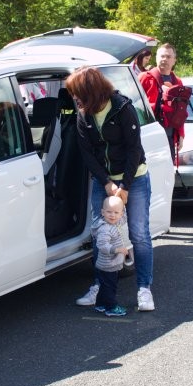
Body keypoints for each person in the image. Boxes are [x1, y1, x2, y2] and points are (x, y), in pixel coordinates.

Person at [67, 66, 156, 312]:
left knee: (139, 234)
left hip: (134, 178)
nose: (74, 98)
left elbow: (134, 149)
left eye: (77, 93)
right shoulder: (83, 114)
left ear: (91, 91)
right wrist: (106, 182)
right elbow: (87, 154)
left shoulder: (122, 108)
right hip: (103, 181)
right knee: (101, 233)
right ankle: (100, 286)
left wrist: (125, 185)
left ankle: (144, 288)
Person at [139, 42, 185, 161]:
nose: (164, 59)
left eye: (168, 57)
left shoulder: (178, 82)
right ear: (156, 58)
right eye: (162, 56)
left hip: (169, 137)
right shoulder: (145, 77)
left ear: (174, 61)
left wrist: (181, 134)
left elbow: (181, 110)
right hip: (148, 135)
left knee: (167, 170)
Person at [90, 196, 130, 316]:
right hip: (108, 264)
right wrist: (117, 250)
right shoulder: (105, 229)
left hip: (110, 263)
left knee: (104, 285)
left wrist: (124, 205)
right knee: (110, 287)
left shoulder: (116, 222)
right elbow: (102, 245)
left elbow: (124, 218)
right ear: (103, 212)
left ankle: (100, 304)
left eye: (116, 212)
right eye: (109, 212)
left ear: (121, 214)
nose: (112, 215)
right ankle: (111, 308)